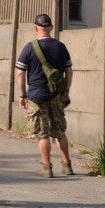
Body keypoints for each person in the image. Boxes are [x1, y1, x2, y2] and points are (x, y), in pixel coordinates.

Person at [15, 13, 74, 178]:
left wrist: (22, 95)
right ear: (52, 28)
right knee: (59, 131)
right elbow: (69, 72)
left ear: (35, 28)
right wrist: (65, 92)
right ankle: (67, 165)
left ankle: (47, 168)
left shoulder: (29, 47)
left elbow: (20, 73)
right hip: (56, 95)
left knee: (42, 134)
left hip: (36, 96)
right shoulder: (60, 47)